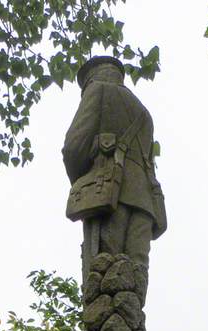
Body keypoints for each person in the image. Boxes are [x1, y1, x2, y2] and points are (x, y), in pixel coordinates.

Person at [62, 56, 166, 285]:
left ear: (90, 78)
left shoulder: (97, 91)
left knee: (104, 273)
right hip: (145, 204)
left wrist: (81, 180)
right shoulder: (144, 112)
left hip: (109, 194)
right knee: (135, 276)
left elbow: (73, 148)